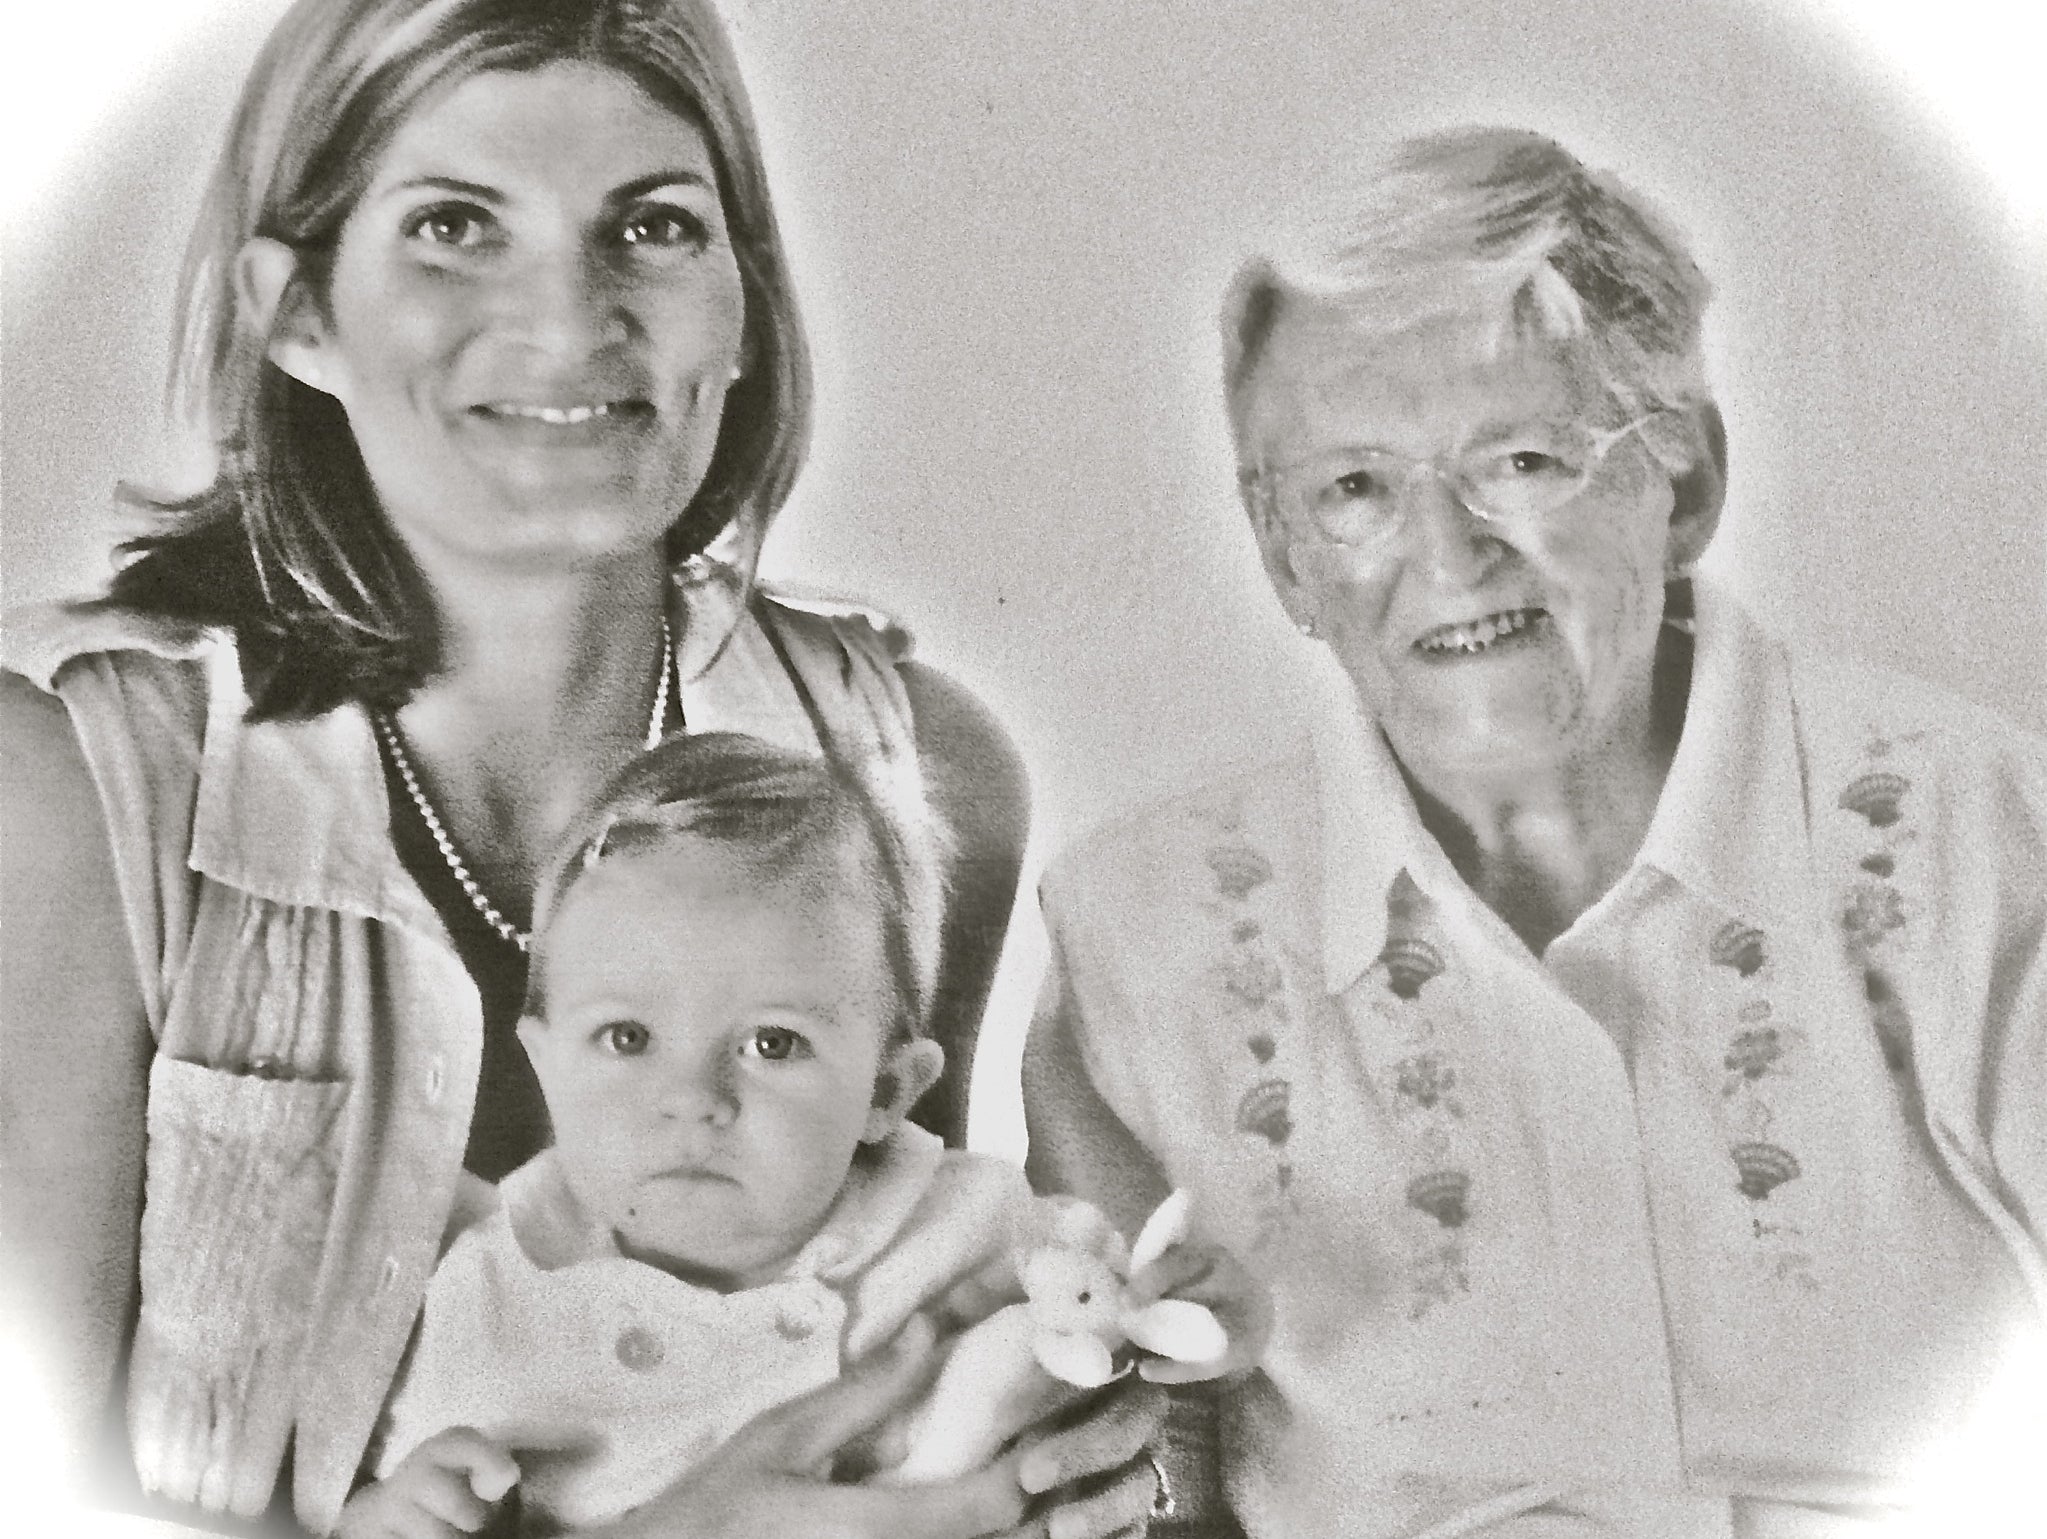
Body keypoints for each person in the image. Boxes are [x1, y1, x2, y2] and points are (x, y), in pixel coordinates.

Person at [0, 1, 1166, 1533]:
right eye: (453, 225)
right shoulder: (70, 791)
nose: (567, 321)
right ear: (294, 313)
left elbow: (898, 1322)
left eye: (653, 226)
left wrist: (1072, 1448)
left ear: (743, 304)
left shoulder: (918, 771)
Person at [1024, 125, 2046, 1538]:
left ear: (1680, 482)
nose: (1447, 556)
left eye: (1517, 458)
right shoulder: (1136, 943)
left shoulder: (1978, 839)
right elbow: (1141, 1490)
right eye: (1354, 488)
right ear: (1282, 558)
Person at [346, 732, 1018, 1535]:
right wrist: (391, 1517)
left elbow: (1122, 1330)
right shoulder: (482, 1299)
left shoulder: (973, 1231)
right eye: (627, 1036)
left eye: (772, 1043)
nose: (693, 1099)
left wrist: (1181, 1330)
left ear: (886, 1088)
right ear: (547, 1064)